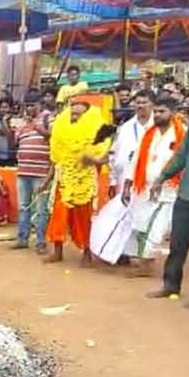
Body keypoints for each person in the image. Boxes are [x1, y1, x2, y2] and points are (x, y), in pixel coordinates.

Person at [144, 111, 189, 306]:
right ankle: (170, 285)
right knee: (177, 243)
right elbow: (180, 156)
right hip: (187, 195)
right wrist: (162, 178)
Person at [119, 99, 185, 277]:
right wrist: (127, 185)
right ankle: (145, 261)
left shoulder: (182, 134)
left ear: (172, 112)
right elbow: (135, 161)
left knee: (154, 227)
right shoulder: (149, 134)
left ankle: (146, 264)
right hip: (143, 189)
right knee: (140, 224)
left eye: (161, 111)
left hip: (168, 190)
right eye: (155, 111)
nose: (156, 115)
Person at [89, 90, 155, 265]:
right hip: (125, 179)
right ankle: (119, 252)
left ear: (152, 105)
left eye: (144, 102)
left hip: (151, 180)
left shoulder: (160, 126)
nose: (140, 106)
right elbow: (114, 155)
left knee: (144, 218)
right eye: (138, 102)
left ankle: (143, 257)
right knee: (122, 215)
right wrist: (112, 180)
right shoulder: (126, 128)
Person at [44, 101, 109, 266]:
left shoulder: (97, 131)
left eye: (78, 114)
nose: (74, 116)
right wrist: (48, 179)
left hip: (84, 179)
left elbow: (103, 157)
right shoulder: (60, 129)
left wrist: (92, 160)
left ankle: (87, 253)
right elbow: (55, 157)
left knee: (84, 216)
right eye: (72, 113)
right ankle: (57, 252)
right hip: (64, 176)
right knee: (58, 214)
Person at [13, 91, 51, 254]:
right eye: (27, 106)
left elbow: (53, 137)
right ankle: (22, 239)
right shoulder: (21, 122)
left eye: (32, 105)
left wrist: (37, 126)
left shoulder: (49, 117)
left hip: (42, 171)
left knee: (41, 208)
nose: (29, 109)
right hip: (23, 170)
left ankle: (41, 242)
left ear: (40, 104)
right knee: (23, 206)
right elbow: (16, 141)